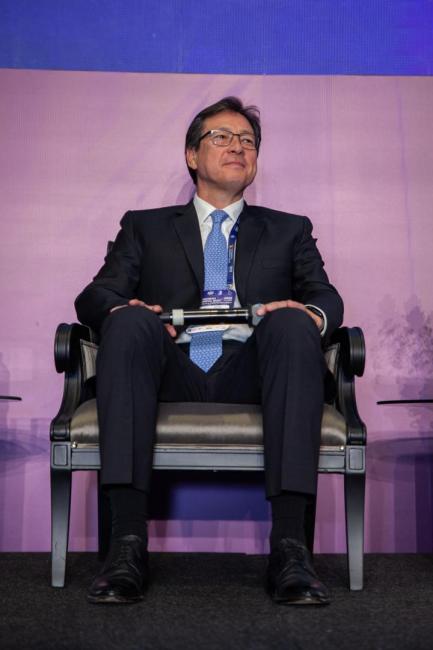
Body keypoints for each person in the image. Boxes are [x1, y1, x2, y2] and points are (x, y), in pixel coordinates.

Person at [75, 96, 344, 606]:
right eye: (222, 137)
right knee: (127, 320)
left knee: (293, 322)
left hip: (251, 370)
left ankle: (290, 549)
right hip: (169, 366)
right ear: (192, 155)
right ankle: (127, 545)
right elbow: (95, 295)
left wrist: (308, 314)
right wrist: (128, 308)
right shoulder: (145, 226)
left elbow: (326, 297)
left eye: (248, 141)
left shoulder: (289, 229)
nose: (237, 147)